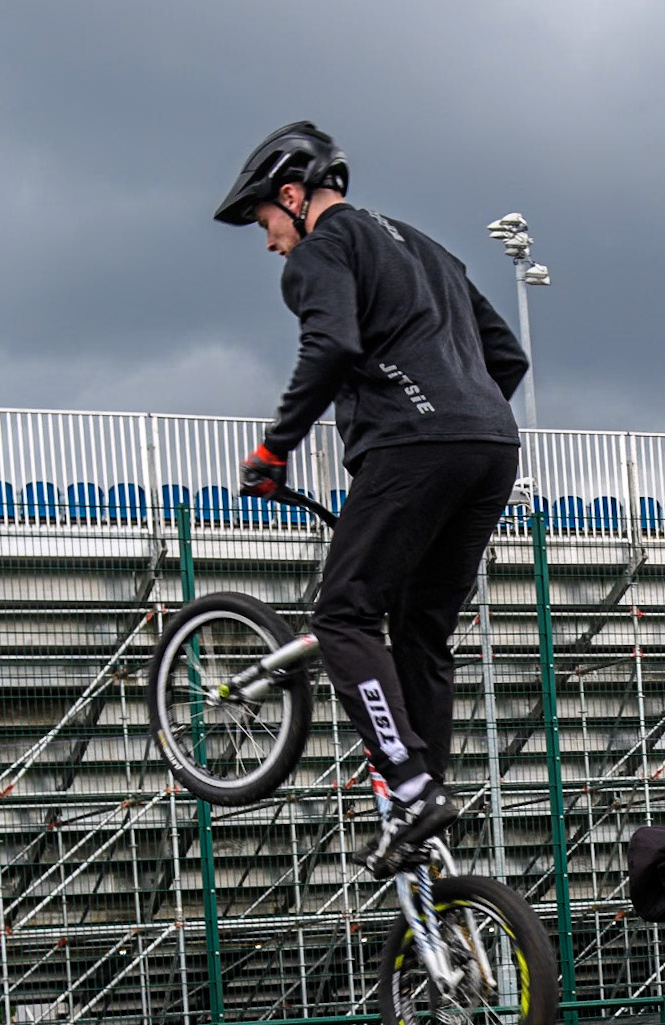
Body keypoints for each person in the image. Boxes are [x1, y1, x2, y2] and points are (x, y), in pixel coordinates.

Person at [214, 122, 528, 878]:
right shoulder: (430, 248)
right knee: (421, 630)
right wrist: (460, 414)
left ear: (291, 196)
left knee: (344, 614)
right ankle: (419, 801)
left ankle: (410, 783)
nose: (269, 243)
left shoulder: (323, 252)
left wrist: (273, 448)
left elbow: (330, 348)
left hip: (412, 448)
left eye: (265, 222)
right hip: (491, 447)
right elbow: (507, 357)